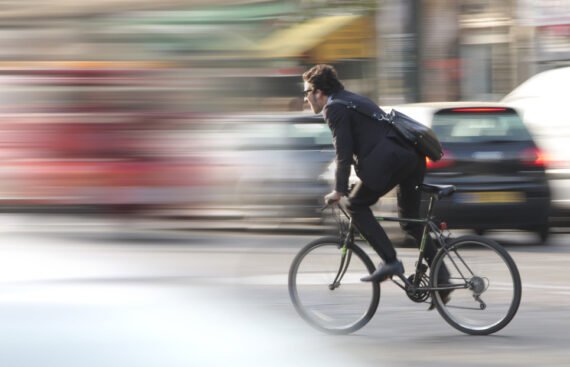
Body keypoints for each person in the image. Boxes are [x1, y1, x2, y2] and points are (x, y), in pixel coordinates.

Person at [302, 64, 450, 304]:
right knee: (410, 221)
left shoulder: (334, 108)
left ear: (318, 92)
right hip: (411, 158)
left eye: (307, 92)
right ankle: (441, 277)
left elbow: (343, 153)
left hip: (388, 161)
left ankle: (390, 261)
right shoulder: (353, 99)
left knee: (355, 206)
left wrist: (339, 190)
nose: (306, 98)